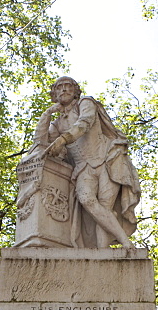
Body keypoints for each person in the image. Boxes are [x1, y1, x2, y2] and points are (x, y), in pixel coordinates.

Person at [37, 76, 141, 249]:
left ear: (75, 91)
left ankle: (110, 249)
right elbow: (41, 143)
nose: (64, 90)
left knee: (104, 206)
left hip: (107, 160)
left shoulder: (85, 103)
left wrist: (63, 139)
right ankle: (120, 243)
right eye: (59, 87)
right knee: (87, 200)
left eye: (68, 86)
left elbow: (84, 123)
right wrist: (47, 114)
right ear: (54, 94)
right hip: (83, 168)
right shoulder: (57, 123)